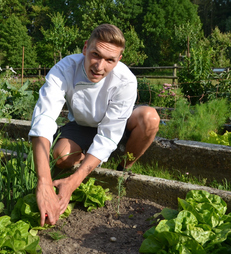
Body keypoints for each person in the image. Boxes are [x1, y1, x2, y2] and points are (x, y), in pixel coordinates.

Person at [29, 24, 160, 226]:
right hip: (82, 124)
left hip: (117, 124)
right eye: (95, 55)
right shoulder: (65, 69)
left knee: (150, 118)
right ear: (85, 49)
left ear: (119, 60)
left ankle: (123, 168)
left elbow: (109, 134)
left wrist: (73, 182)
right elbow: (44, 118)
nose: (99, 66)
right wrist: (44, 181)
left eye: (110, 60)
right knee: (61, 157)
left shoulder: (126, 80)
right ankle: (90, 155)